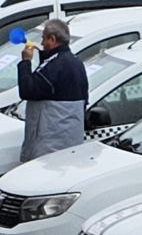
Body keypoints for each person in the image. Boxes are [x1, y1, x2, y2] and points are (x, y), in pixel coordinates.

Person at [17, 16, 90, 159]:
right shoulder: (76, 63)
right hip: (70, 141)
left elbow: (27, 90)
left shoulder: (56, 66)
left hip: (49, 144)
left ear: (52, 39)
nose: (42, 43)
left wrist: (26, 62)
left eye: (44, 39)